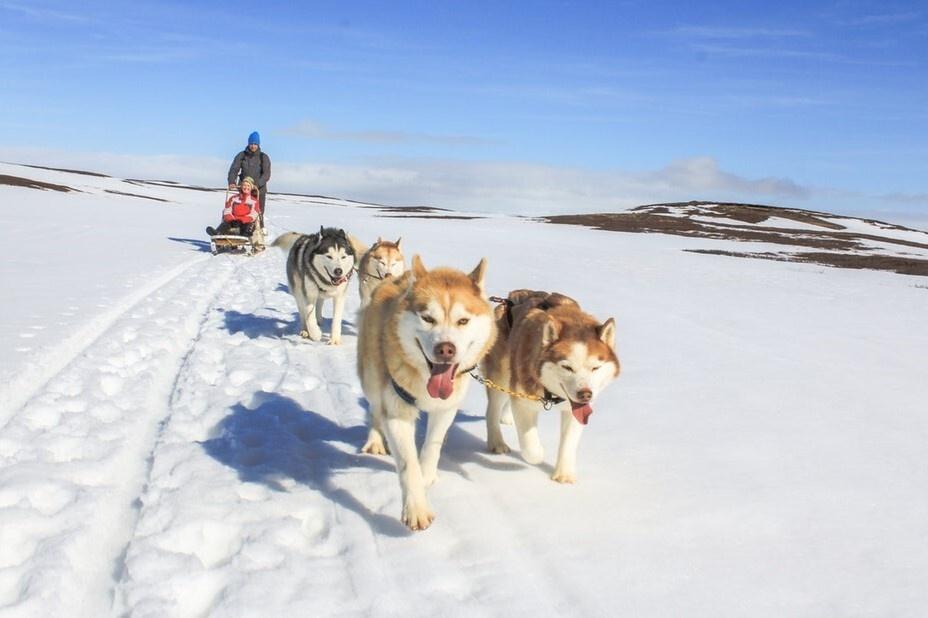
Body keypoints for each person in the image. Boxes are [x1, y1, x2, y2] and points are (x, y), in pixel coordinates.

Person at [227, 131, 270, 226]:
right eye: (251, 144)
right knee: (241, 211)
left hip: (258, 190)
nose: (253, 146)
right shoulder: (241, 156)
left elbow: (266, 174)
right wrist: (231, 181)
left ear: (258, 144)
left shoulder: (263, 157)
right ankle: (237, 229)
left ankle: (259, 230)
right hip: (244, 189)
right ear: (248, 143)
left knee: (258, 213)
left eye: (255, 144)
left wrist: (257, 184)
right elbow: (234, 169)